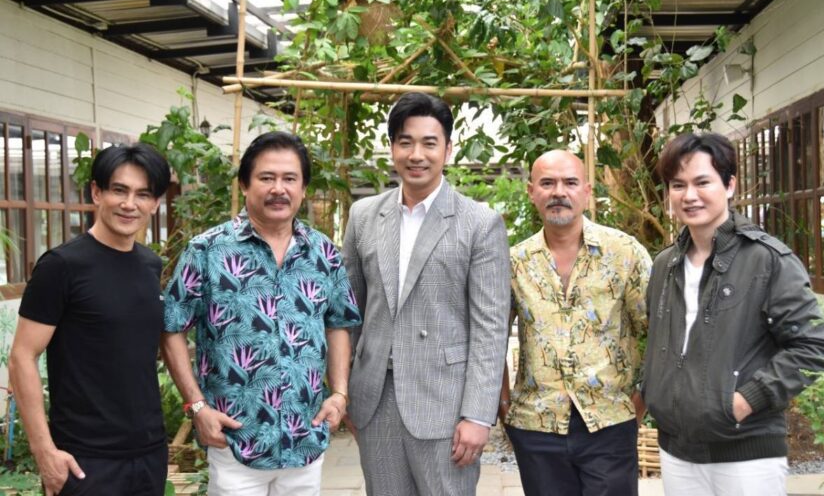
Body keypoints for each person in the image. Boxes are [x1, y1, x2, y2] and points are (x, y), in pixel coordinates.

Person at [161, 131, 361, 496]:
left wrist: (340, 395)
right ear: (244, 183)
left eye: (290, 179)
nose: (278, 189)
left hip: (305, 439)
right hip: (234, 441)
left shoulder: (324, 254)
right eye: (267, 177)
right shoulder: (207, 251)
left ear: (303, 188)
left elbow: (338, 323)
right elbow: (171, 326)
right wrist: (197, 405)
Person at [643, 132, 824, 496]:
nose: (689, 195)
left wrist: (745, 401)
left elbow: (815, 346)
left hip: (745, 452)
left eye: (702, 182)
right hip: (676, 449)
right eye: (678, 185)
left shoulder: (767, 260)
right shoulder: (665, 264)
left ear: (730, 185)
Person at [342, 92, 510, 495]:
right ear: (392, 148)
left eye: (429, 143)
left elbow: (491, 328)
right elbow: (348, 313)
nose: (416, 154)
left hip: (446, 403)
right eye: (405, 142)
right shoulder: (363, 216)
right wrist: (344, 391)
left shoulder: (480, 223)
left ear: (447, 150)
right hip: (376, 401)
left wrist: (478, 415)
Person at [9, 143, 171, 496]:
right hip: (85, 460)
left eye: (143, 194)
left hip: (149, 454)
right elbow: (22, 356)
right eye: (119, 190)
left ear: (155, 203)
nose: (130, 204)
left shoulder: (150, 265)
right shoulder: (62, 266)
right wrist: (44, 451)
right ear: (97, 192)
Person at [498, 149, 651, 496]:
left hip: (610, 422)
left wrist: (642, 400)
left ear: (587, 191)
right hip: (536, 427)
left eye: (569, 183)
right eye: (547, 183)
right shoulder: (514, 262)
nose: (558, 192)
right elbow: (489, 340)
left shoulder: (624, 253)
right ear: (531, 192)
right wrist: (505, 407)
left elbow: (661, 332)